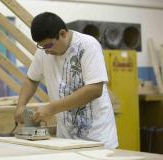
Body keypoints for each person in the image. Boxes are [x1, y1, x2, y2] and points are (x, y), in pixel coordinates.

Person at [14, 12, 118, 149]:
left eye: (48, 46)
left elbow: (95, 89)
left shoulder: (88, 45)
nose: (46, 51)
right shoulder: (43, 51)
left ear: (63, 34)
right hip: (66, 141)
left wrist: (51, 108)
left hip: (98, 140)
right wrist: (20, 106)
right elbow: (31, 80)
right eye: (42, 46)